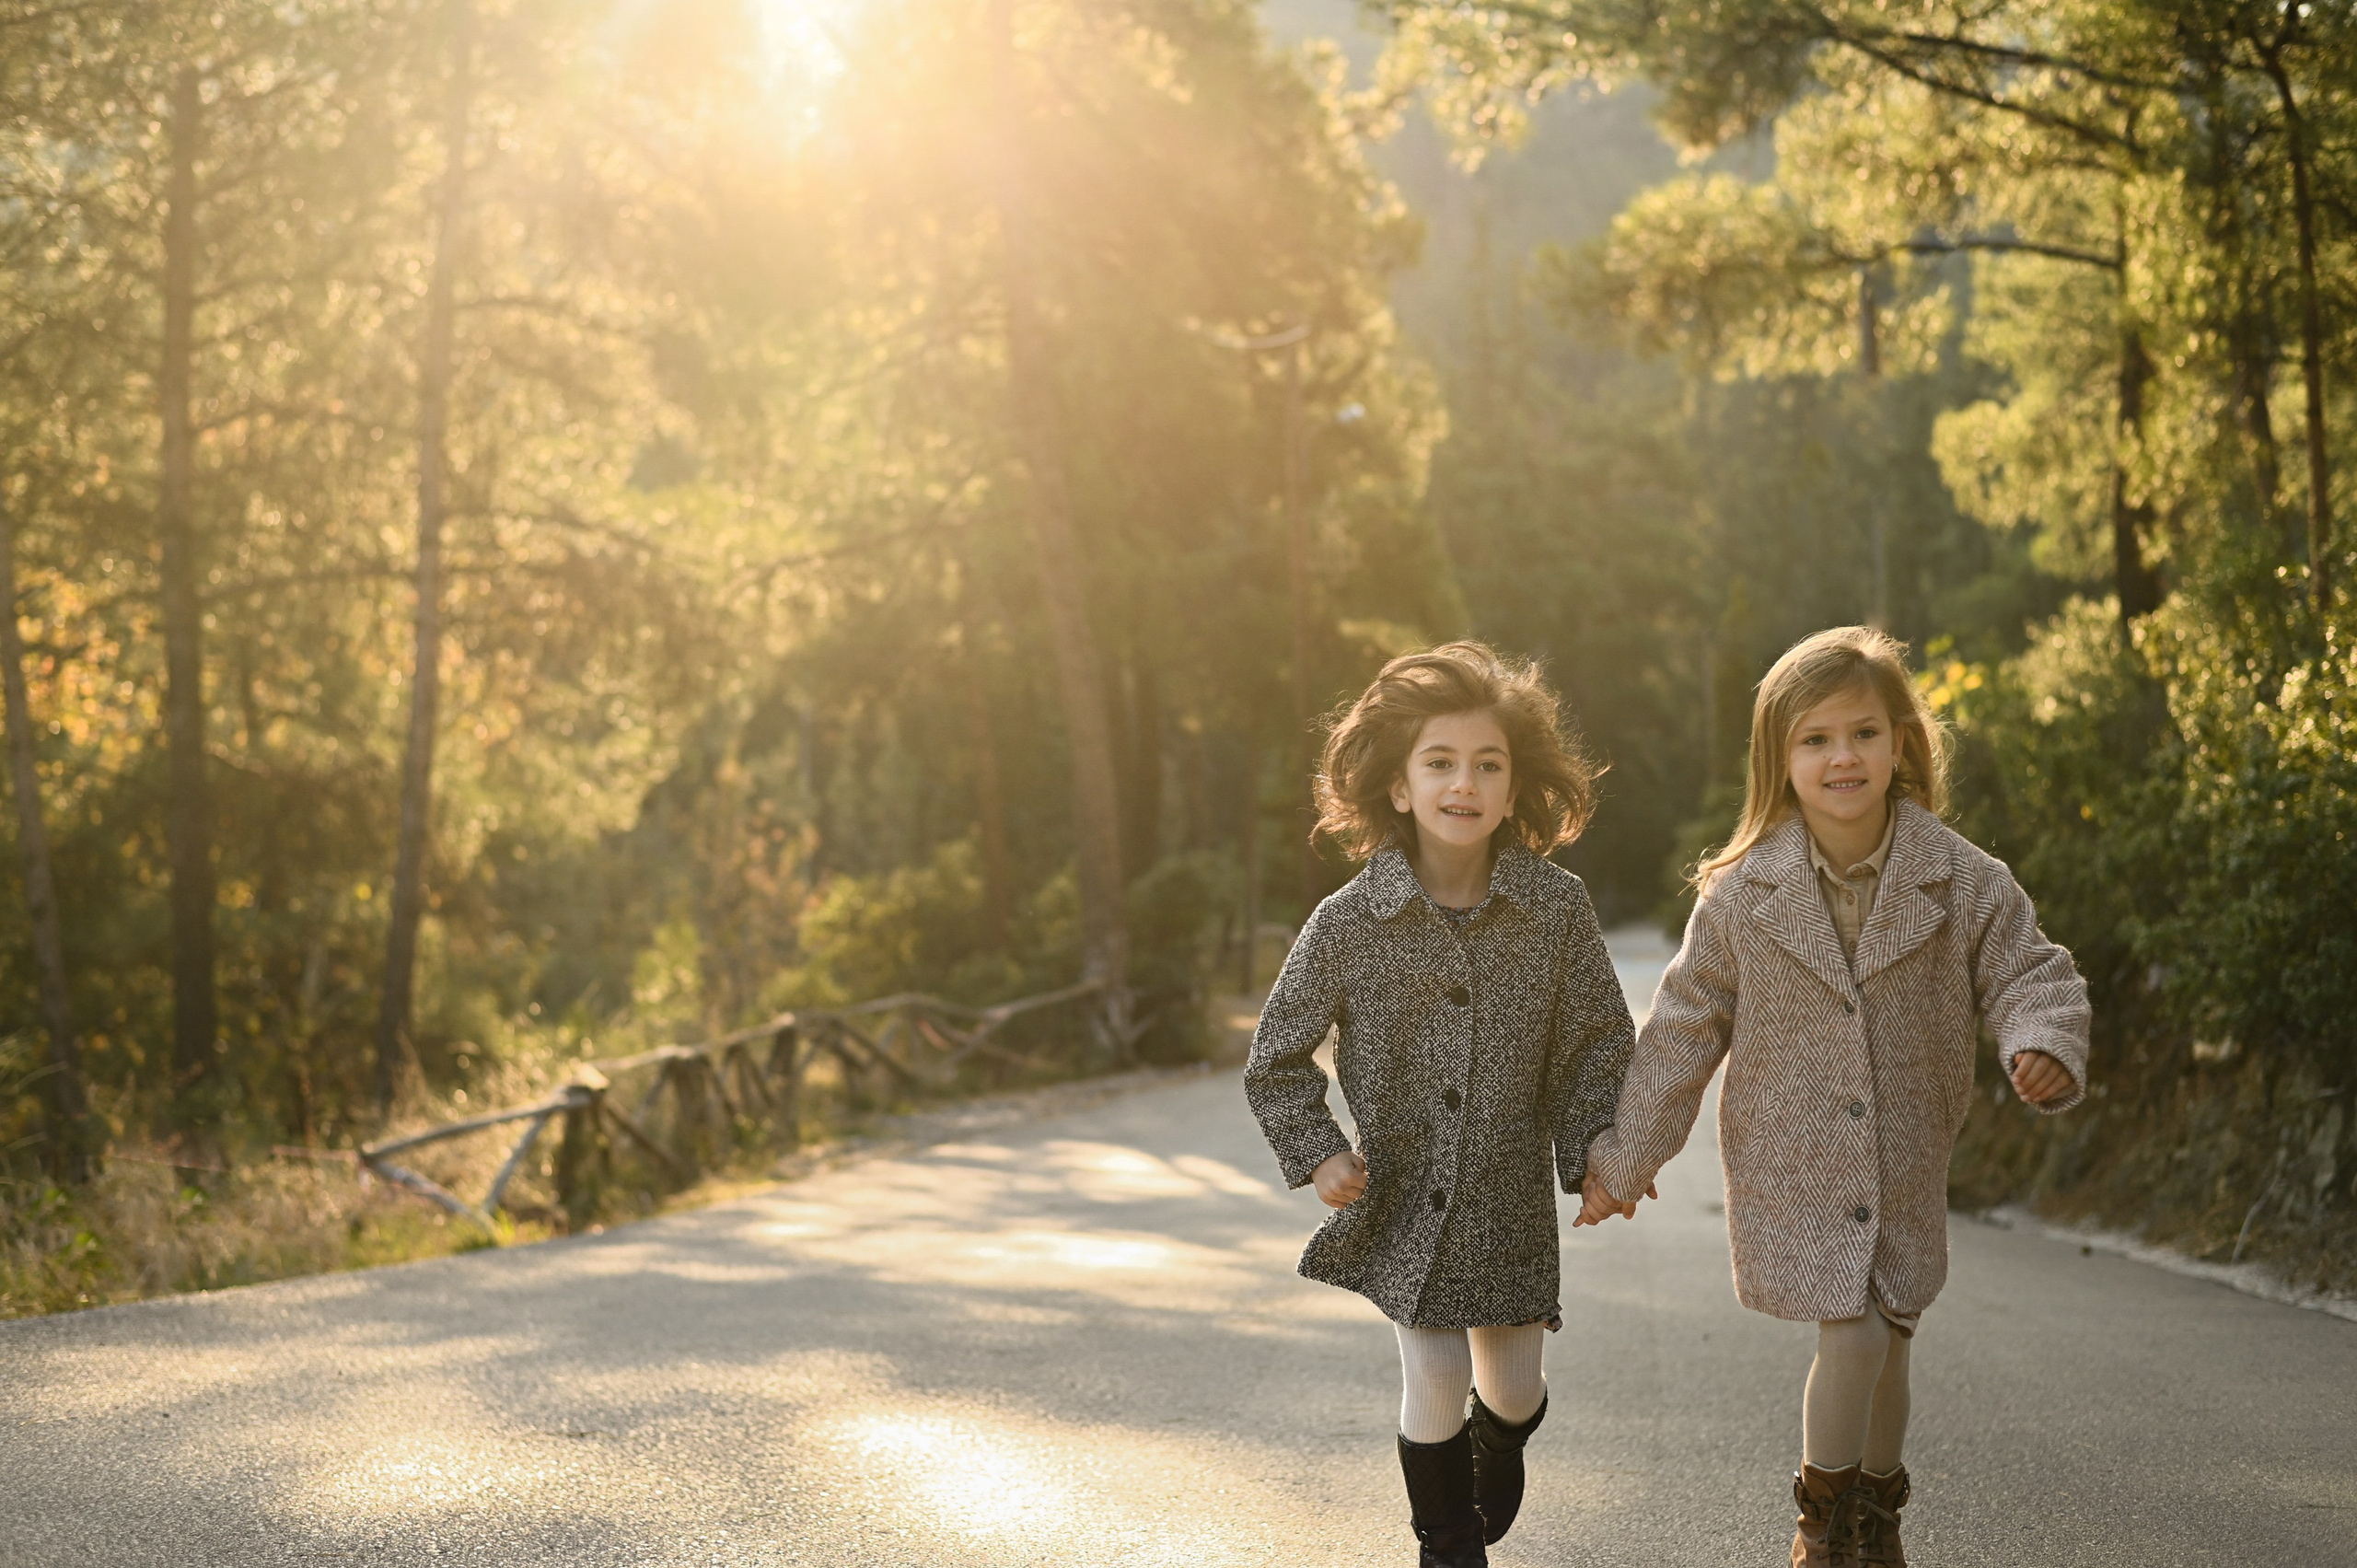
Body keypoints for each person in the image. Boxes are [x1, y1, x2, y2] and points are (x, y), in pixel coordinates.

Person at [1582, 625, 2089, 1568]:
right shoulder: (1741, 894)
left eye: (1861, 732)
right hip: (1793, 1156)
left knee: (1891, 1337)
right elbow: (1683, 1026)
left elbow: (2029, 968)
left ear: (1900, 742)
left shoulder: (1961, 876)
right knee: (1852, 1330)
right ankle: (1820, 1522)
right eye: (1814, 738)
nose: (1841, 756)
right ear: (1779, 757)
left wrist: (2039, 1038)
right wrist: (1626, 1155)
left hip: (1904, 1150)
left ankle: (1876, 1516)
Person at [1244, 641, 1643, 1568]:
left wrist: (1592, 1149)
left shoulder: (1555, 908)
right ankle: (1447, 1542)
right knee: (1431, 1367)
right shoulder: (1348, 919)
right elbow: (1276, 1057)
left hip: (1506, 1204)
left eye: (1487, 764)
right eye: (1439, 762)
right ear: (1398, 785)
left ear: (1513, 787)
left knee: (1509, 1388)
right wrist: (1319, 1150)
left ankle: (1496, 1441)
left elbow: (1596, 1043)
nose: (1463, 783)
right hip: (1402, 1200)